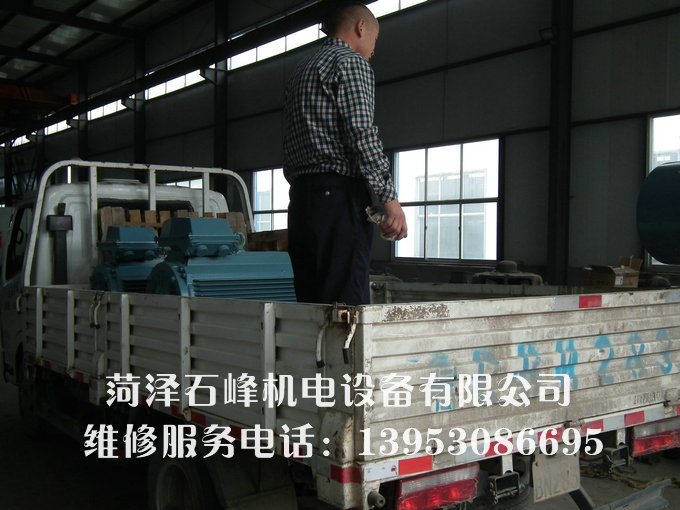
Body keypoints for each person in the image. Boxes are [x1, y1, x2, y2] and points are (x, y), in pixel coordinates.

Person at [283, 1, 407, 306]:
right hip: (338, 200)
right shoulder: (351, 62)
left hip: (301, 202)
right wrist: (390, 201)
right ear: (361, 27)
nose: (373, 50)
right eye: (375, 39)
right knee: (345, 309)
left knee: (312, 304)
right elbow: (362, 134)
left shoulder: (302, 69)